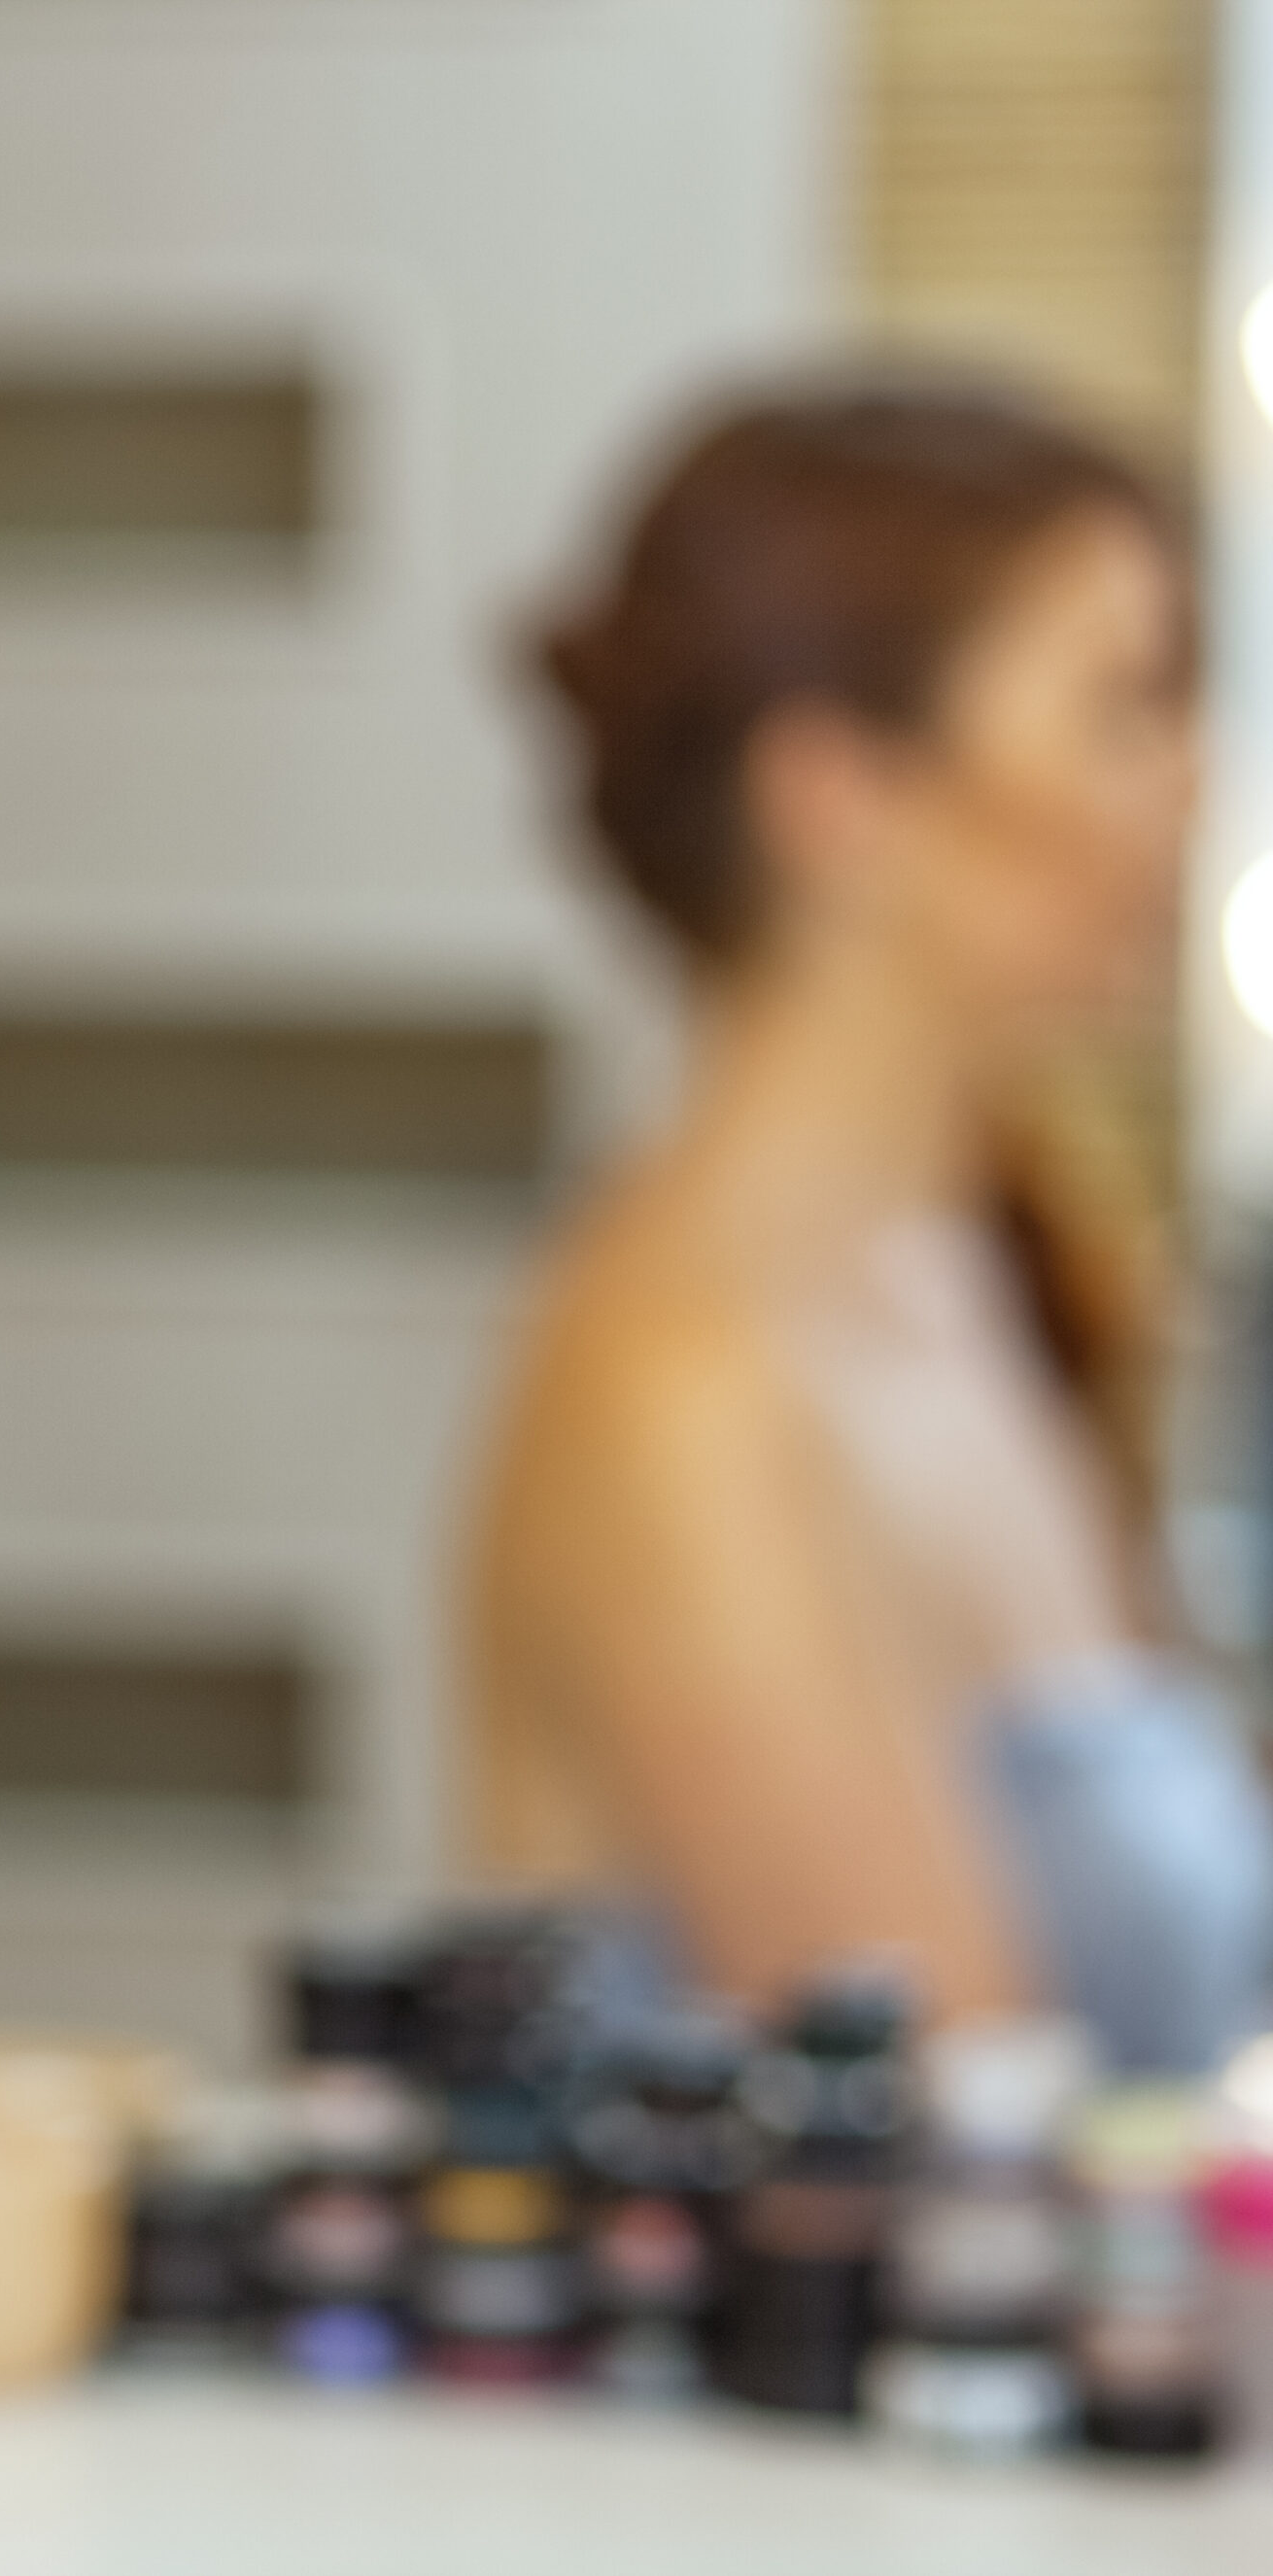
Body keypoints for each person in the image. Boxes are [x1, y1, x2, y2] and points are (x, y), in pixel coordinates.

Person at [465, 383, 1268, 2076]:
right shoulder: (685, 1400)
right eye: (1121, 708)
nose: (1191, 784)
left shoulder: (962, 1272)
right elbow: (955, 2149)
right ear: (841, 795)